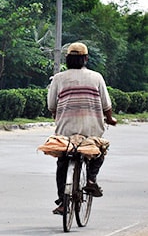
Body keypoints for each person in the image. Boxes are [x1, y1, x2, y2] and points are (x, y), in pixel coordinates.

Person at [47, 42, 117, 215]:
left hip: (66, 132)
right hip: (91, 130)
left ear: (67, 59)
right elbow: (106, 104)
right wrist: (109, 118)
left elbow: (51, 105)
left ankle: (63, 202)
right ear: (86, 59)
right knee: (99, 150)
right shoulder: (96, 77)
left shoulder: (58, 78)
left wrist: (57, 114)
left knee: (62, 162)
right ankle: (91, 179)